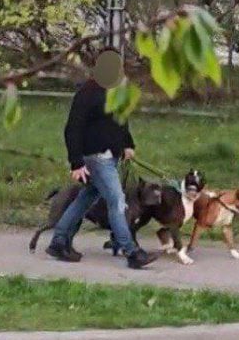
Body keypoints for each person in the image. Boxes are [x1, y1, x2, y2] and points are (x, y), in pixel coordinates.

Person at [46, 47, 159, 269]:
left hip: (110, 156)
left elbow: (120, 120)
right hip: (95, 157)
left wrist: (127, 143)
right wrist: (76, 162)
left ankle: (59, 241)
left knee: (86, 198)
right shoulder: (87, 93)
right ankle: (131, 251)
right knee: (117, 201)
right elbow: (73, 128)